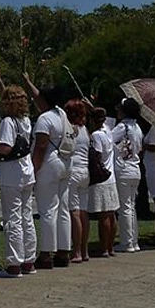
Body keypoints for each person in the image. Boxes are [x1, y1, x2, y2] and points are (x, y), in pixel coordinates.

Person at [0, 85, 38, 278]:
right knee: (26, 217)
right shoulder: (25, 120)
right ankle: (29, 260)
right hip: (27, 171)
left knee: (12, 219)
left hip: (12, 174)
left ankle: (14, 263)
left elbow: (6, 147)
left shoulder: (8, 122)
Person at [31, 86, 75, 268]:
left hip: (49, 163)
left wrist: (34, 169)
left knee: (48, 210)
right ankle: (63, 251)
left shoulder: (44, 118)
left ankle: (46, 253)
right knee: (63, 209)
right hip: (66, 161)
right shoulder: (61, 114)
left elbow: (41, 146)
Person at [112, 98, 143, 252]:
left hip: (124, 169)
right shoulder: (137, 128)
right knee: (131, 207)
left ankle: (127, 243)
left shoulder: (122, 127)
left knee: (124, 208)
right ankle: (133, 241)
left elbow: (108, 139)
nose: (117, 109)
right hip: (135, 169)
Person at [88, 107, 120, 256]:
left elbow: (97, 156)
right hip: (111, 177)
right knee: (111, 214)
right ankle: (110, 247)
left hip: (101, 178)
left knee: (103, 216)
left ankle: (104, 248)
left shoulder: (96, 136)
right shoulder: (108, 131)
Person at [65, 99, 91, 263]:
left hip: (73, 171)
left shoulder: (71, 129)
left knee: (74, 212)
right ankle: (84, 249)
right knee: (83, 212)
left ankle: (76, 251)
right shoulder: (85, 130)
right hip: (85, 171)